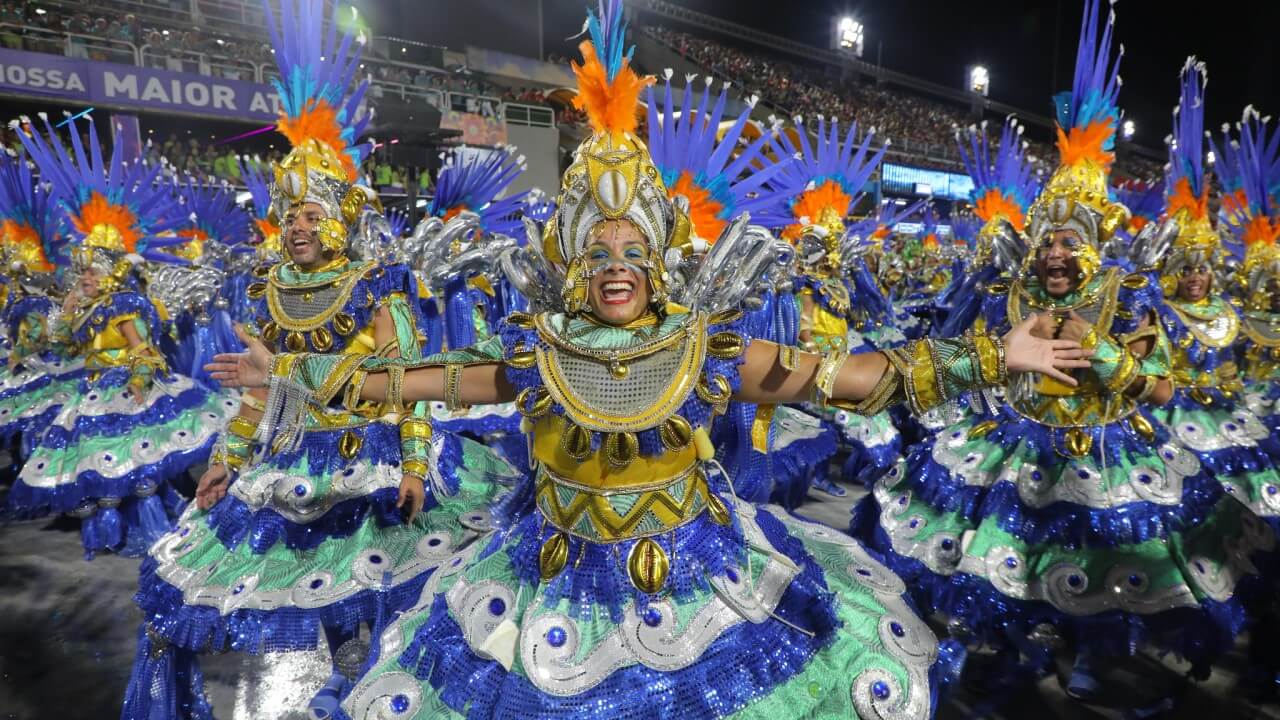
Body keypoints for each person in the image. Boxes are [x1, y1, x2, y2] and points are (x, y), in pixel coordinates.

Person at [207, 3, 1089, 717]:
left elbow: (851, 380)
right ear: (575, 261)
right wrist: (282, 380)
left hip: (702, 581)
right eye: (600, 249)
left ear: (662, 260)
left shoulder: (703, 348)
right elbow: (407, 382)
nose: (617, 265)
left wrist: (990, 357)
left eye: (634, 249)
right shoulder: (536, 351)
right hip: (552, 590)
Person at [852, 1, 1277, 709]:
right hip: (1018, 447)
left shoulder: (1132, 295)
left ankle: (1084, 658)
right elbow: (972, 355)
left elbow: (1168, 390)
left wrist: (1116, 363)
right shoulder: (1009, 292)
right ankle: (1007, 653)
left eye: (1067, 239)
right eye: (1046, 238)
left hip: (1107, 453)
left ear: (1094, 242)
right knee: (1001, 570)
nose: (1052, 251)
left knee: (1098, 568)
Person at [121, 3, 514, 718]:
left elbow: (407, 387)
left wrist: (419, 465)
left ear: (337, 222)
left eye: (310, 214)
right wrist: (225, 460)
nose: (296, 225)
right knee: (329, 598)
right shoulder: (270, 294)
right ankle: (351, 678)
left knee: (393, 599)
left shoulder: (375, 286)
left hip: (380, 460)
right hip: (299, 464)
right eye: (288, 213)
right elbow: (257, 391)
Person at [8, 114, 233, 561]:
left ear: (110, 274)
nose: (85, 278)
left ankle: (142, 525)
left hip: (125, 390)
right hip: (90, 391)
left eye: (91, 272)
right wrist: (66, 310)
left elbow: (144, 349)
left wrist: (137, 380)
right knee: (99, 468)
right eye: (82, 272)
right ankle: (108, 530)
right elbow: (60, 345)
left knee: (133, 469)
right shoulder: (86, 307)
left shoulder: (123, 307)